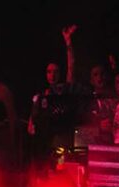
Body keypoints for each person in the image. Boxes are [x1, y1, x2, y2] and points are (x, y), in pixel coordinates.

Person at [27, 27, 82, 166]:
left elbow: (72, 66)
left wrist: (68, 43)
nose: (52, 75)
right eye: (49, 72)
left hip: (64, 140)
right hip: (46, 143)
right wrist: (32, 122)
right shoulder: (41, 95)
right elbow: (33, 121)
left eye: (56, 71)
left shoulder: (65, 89)